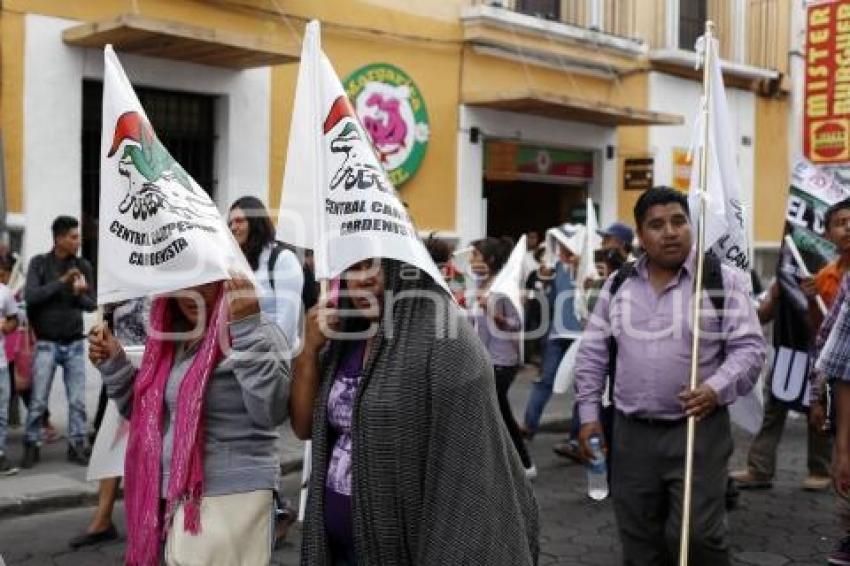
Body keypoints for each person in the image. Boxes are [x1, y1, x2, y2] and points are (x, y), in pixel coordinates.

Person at [291, 258, 539, 565]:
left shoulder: (445, 342)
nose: (363, 280)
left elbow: (468, 470)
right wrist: (307, 353)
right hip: (335, 547)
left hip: (406, 544)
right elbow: (304, 428)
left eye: (375, 266)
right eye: (353, 268)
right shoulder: (342, 340)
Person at [575, 187, 766, 565]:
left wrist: (715, 388)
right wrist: (587, 417)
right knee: (639, 542)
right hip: (631, 436)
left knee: (697, 538)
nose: (670, 232)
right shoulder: (618, 284)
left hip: (698, 430)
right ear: (641, 235)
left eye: (679, 221)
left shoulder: (720, 280)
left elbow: (750, 349)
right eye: (657, 225)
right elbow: (592, 353)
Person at [90, 275, 290, 565]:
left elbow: (271, 411)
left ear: (225, 280)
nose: (192, 294)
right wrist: (115, 364)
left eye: (206, 283)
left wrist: (246, 329)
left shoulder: (259, 328)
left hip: (232, 498)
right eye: (182, 283)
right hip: (177, 497)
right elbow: (148, 418)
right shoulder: (170, 338)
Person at [731, 199, 850, 492]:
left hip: (834, 361)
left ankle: (821, 467)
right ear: (826, 234)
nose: (847, 228)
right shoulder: (811, 273)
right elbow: (816, 326)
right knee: (776, 407)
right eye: (839, 223)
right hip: (794, 349)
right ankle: (759, 468)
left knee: (819, 412)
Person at [69, 297, 149, 549]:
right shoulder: (117, 287)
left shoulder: (157, 285)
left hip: (152, 373)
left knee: (149, 451)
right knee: (110, 448)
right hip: (121, 374)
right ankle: (103, 520)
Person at [22, 216, 96, 468]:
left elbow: (91, 305)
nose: (78, 241)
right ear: (59, 239)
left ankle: (77, 445)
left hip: (74, 342)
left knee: (77, 400)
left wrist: (80, 294)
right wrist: (62, 282)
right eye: (73, 237)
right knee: (39, 400)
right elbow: (31, 297)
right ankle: (31, 444)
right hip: (46, 343)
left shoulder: (83, 265)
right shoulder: (40, 264)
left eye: (78, 236)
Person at [471, 237, 536, 478]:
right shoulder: (479, 283)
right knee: (494, 410)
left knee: (499, 410)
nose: (472, 260)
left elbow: (517, 324)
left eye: (476, 256)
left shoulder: (503, 287)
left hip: (503, 360)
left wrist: (497, 318)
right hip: (485, 357)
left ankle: (525, 463)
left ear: (490, 260)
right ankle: (505, 461)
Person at [520, 233, 582, 438]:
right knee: (545, 380)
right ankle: (529, 425)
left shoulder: (589, 270)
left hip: (582, 336)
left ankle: (575, 436)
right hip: (557, 334)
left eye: (566, 248)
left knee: (583, 387)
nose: (561, 252)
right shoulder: (556, 271)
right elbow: (548, 300)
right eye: (561, 248)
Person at [229, 196, 306, 353]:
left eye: (239, 221)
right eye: (230, 223)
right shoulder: (237, 263)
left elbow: (287, 324)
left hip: (276, 361)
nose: (233, 227)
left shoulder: (283, 259)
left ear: (256, 222)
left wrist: (273, 361)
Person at [0, 254, 20, 474]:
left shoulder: (4, 293)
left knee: (2, 412)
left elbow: (14, 319)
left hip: (1, 364)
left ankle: (0, 454)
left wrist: (7, 326)